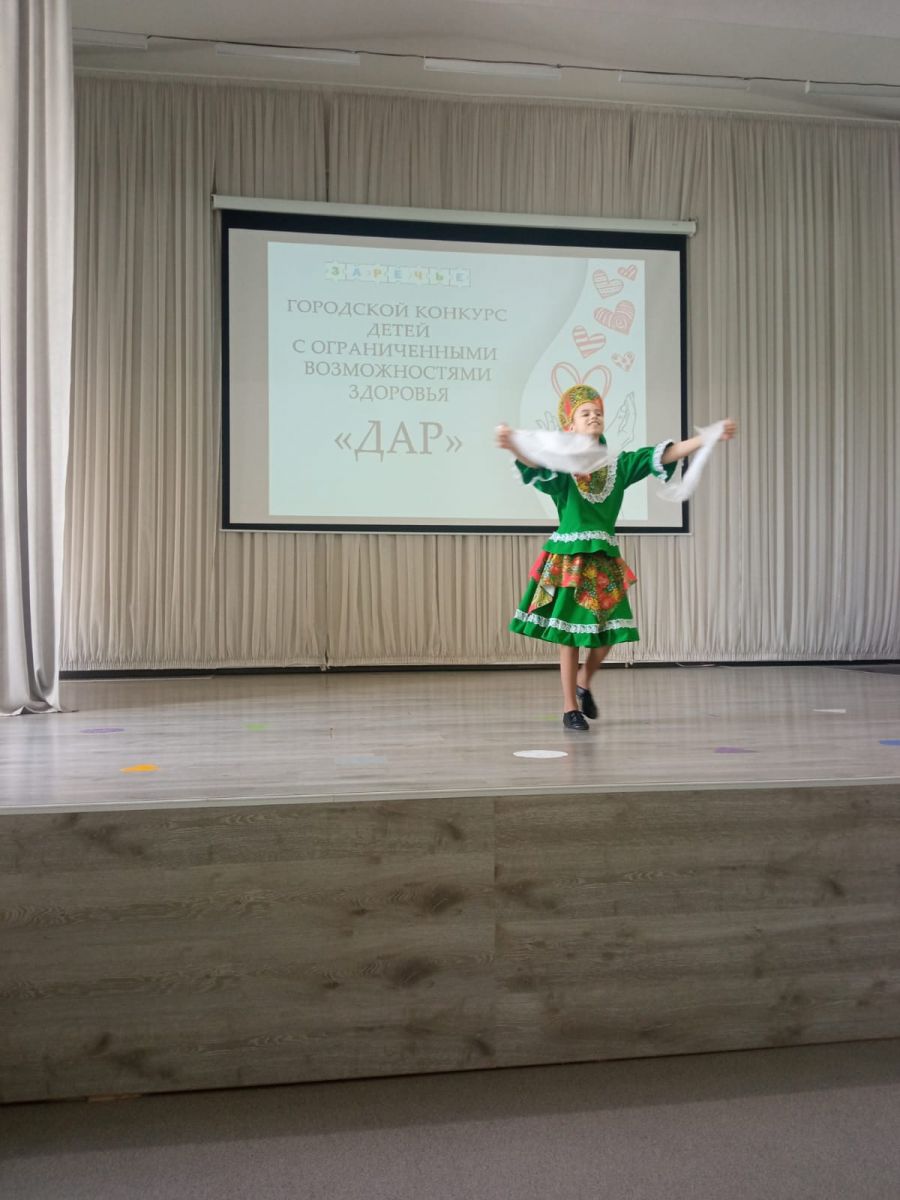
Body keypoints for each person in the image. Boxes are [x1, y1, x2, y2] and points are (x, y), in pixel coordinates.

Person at [497, 385, 737, 730]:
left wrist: (708, 436)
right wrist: (512, 445)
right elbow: (536, 465)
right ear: (570, 426)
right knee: (568, 635)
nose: (594, 416)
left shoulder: (618, 465)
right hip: (570, 558)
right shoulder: (564, 469)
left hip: (603, 558)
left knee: (610, 633)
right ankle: (569, 708)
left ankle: (583, 683)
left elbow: (665, 454)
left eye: (598, 412)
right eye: (585, 413)